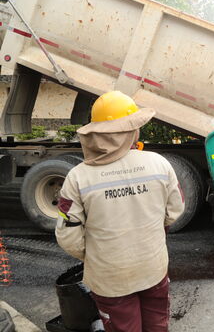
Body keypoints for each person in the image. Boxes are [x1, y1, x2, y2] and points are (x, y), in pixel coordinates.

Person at [55, 91, 184, 331]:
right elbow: (175, 211)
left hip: (109, 279)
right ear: (132, 130)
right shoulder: (159, 164)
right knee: (158, 325)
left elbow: (68, 236)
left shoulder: (78, 177)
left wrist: (100, 255)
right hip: (153, 268)